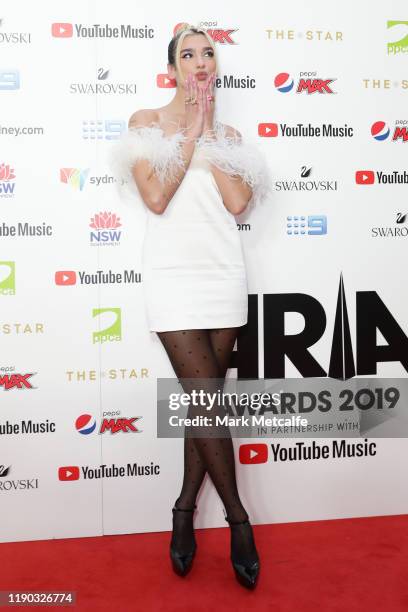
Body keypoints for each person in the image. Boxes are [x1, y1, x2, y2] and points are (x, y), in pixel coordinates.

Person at [112, 23, 271, 589]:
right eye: (189, 54)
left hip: (222, 274)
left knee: (205, 406)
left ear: (215, 68)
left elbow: (237, 203)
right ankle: (238, 520)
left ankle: (183, 510)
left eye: (208, 54)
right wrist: (190, 132)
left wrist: (209, 135)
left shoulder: (228, 134)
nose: (200, 62)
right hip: (173, 277)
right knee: (204, 400)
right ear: (172, 69)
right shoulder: (145, 123)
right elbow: (156, 198)